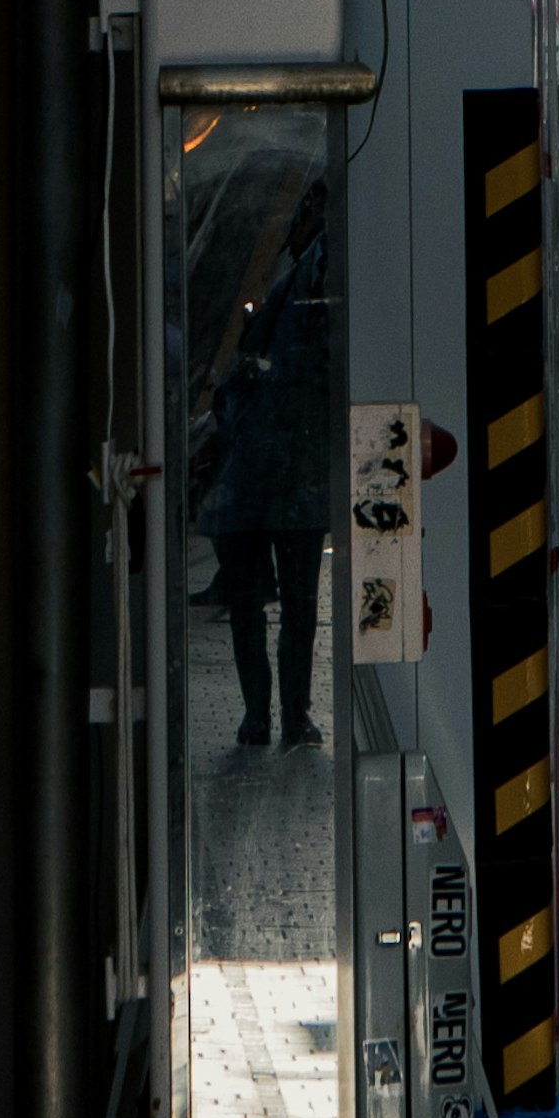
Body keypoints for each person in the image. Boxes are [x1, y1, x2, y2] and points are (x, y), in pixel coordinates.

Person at [204, 190, 333, 753]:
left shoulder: (309, 272)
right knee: (291, 604)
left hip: (265, 475)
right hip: (291, 474)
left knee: (253, 603)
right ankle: (285, 717)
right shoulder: (306, 273)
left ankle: (263, 718)